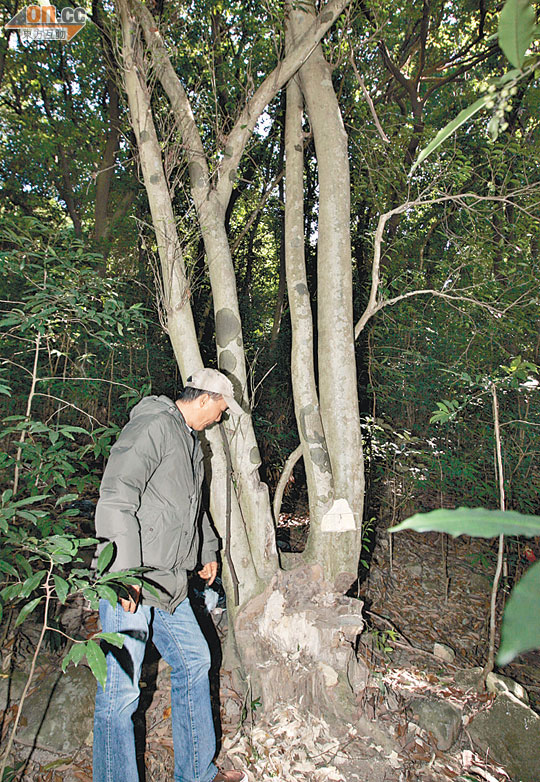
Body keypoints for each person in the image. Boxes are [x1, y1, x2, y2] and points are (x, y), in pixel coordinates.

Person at [93, 368, 247, 782]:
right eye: (220, 409)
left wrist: (208, 549)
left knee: (196, 662)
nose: (220, 417)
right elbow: (116, 495)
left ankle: (196, 773)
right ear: (203, 399)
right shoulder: (153, 426)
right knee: (120, 692)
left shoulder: (192, 442)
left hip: (169, 581)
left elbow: (192, 508)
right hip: (132, 579)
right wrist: (123, 572)